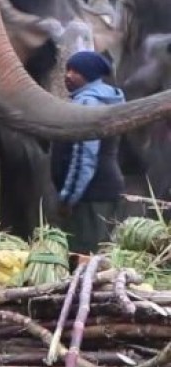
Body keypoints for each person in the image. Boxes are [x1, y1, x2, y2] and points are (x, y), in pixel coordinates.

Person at [51, 51, 125, 254]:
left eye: (76, 71)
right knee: (102, 254)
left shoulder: (87, 104)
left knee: (83, 256)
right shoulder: (110, 99)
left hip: (89, 195)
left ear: (90, 75)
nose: (68, 75)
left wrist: (68, 199)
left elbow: (84, 157)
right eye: (67, 70)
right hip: (106, 190)